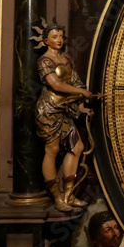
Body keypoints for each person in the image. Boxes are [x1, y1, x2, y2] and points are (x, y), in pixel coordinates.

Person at [36, 24, 93, 212]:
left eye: (61, 36)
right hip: (49, 110)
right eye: (54, 36)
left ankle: (69, 194)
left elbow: (74, 81)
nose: (59, 39)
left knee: (77, 147)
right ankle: (57, 197)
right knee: (52, 150)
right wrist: (80, 91)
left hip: (65, 109)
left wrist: (81, 105)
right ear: (45, 41)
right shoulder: (44, 61)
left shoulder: (66, 58)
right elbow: (57, 85)